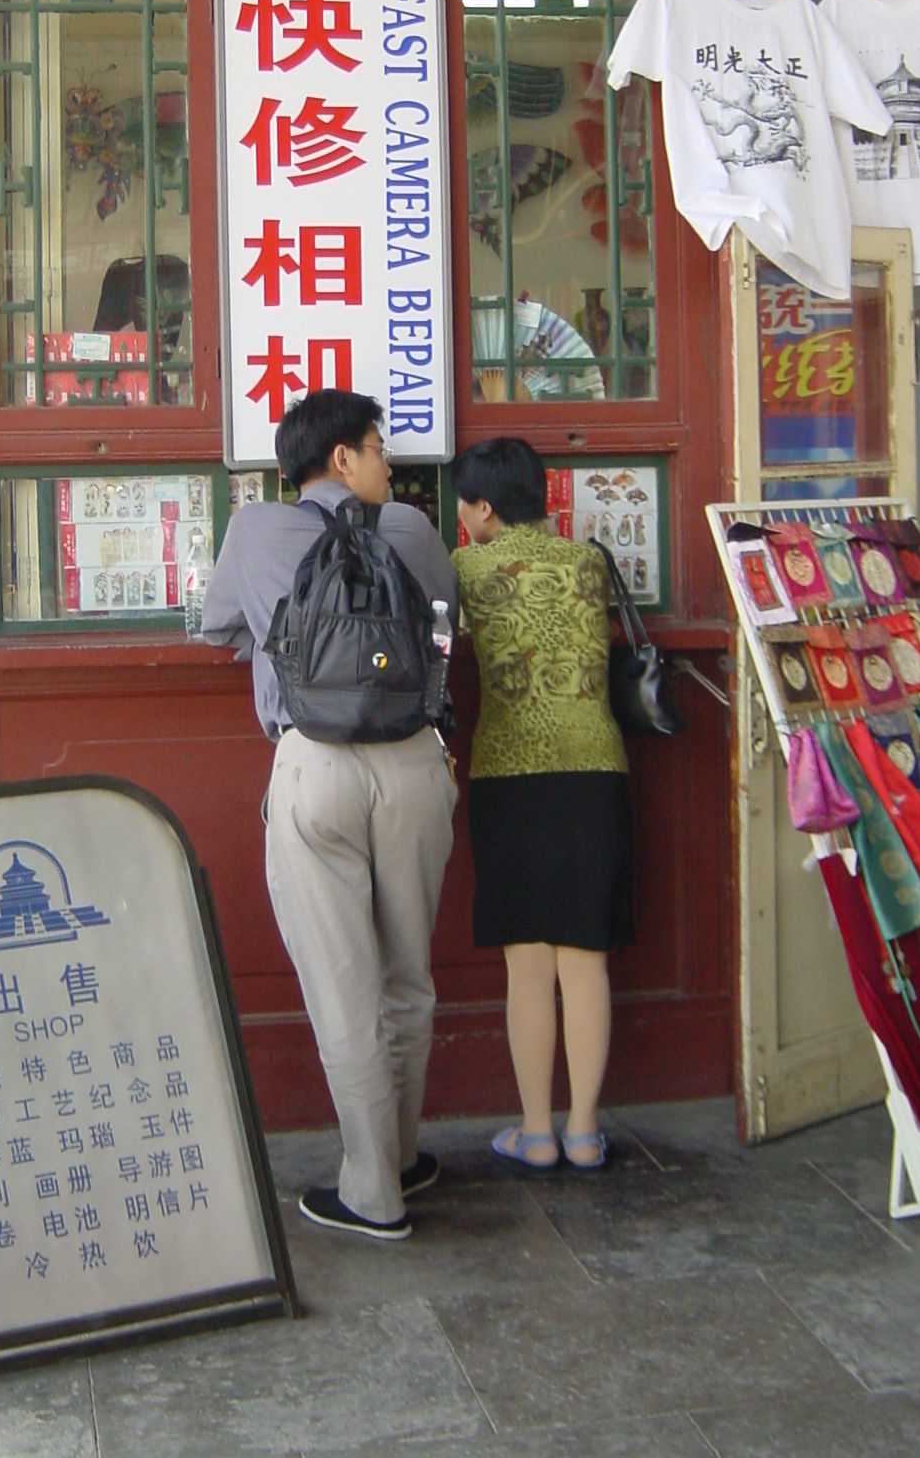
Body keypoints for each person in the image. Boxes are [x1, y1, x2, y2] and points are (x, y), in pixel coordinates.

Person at [202, 390, 459, 1241]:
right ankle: (404, 1155)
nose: (391, 463)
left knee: (343, 991)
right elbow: (443, 628)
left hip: (315, 769)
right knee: (406, 978)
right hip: (414, 765)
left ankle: (372, 1192)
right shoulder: (415, 532)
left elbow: (218, 630)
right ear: (342, 459)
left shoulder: (253, 531)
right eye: (380, 448)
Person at [452, 437, 632, 1173]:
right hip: (597, 771)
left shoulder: (467, 566)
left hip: (511, 770)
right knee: (585, 959)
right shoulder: (589, 560)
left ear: (485, 508)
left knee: (526, 961)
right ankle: (585, 1131)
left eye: (463, 506)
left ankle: (535, 1132)